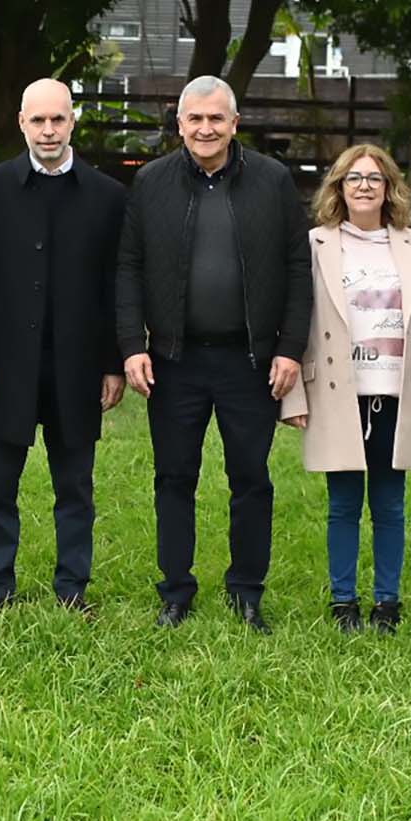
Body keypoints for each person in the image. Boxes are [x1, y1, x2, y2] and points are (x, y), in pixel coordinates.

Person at [117, 75, 311, 633]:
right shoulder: (151, 183)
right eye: (195, 119)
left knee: (250, 477)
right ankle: (176, 590)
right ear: (180, 124)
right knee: (174, 476)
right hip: (175, 361)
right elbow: (128, 266)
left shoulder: (272, 182)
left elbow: (299, 267)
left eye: (216, 119)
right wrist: (133, 345)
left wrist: (290, 348)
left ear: (234, 123)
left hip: (251, 361)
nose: (206, 129)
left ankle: (247, 591)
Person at [0, 78, 127, 612]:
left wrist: (112, 363)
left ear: (73, 121)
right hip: (6, 364)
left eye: (58, 119)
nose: (49, 130)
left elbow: (112, 287)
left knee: (75, 486)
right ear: (22, 124)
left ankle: (73, 588)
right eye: (39, 120)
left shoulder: (106, 196)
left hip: (77, 365)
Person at [280, 144, 411, 635]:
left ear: (389, 187)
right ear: (338, 187)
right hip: (336, 392)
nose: (363, 186)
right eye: (353, 177)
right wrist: (294, 397)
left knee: (390, 504)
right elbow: (297, 324)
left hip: (396, 391)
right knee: (343, 502)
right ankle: (344, 600)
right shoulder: (315, 245)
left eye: (373, 178)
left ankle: (387, 602)